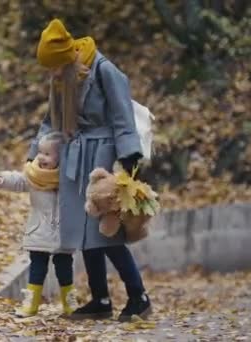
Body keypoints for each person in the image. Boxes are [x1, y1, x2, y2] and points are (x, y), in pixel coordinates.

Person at [28, 19, 151, 321]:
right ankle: (101, 300)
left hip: (103, 155)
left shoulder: (104, 70)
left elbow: (123, 114)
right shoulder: (61, 78)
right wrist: (36, 152)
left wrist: (127, 158)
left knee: (105, 232)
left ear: (67, 58)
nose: (52, 74)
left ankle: (139, 296)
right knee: (82, 234)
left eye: (54, 67)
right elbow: (50, 120)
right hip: (74, 154)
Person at [0, 131, 78, 317]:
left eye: (47, 154)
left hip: (63, 234)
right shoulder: (35, 176)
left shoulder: (69, 179)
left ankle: (69, 302)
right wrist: (4, 179)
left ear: (62, 156)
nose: (41, 157)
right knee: (37, 268)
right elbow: (20, 180)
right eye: (40, 152)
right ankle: (31, 302)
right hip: (39, 232)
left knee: (64, 269)